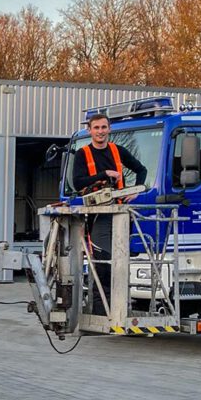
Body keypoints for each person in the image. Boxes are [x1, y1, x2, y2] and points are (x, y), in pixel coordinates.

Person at [71, 114, 148, 315]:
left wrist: (136, 190)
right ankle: (101, 310)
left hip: (120, 213)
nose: (100, 131)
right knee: (102, 261)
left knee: (120, 261)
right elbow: (78, 182)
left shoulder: (118, 151)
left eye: (104, 127)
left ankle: (120, 308)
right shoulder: (83, 154)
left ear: (109, 129)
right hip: (98, 215)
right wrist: (104, 175)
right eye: (96, 128)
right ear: (90, 130)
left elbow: (142, 170)